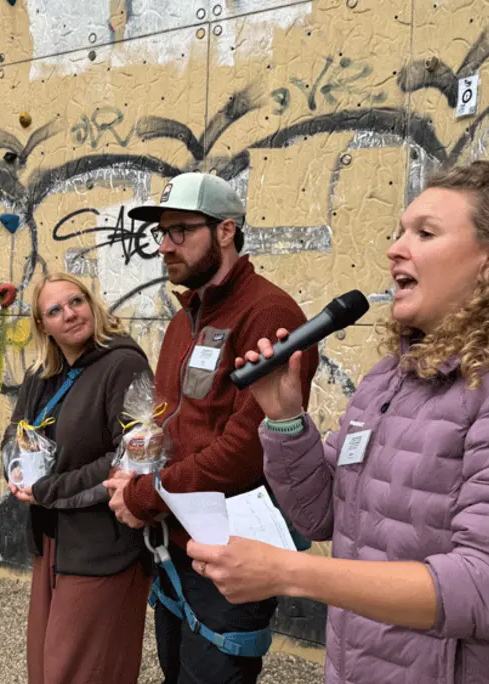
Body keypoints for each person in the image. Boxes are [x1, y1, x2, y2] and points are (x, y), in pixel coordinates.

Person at [187, 160, 489, 684]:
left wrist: (288, 573)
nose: (395, 248)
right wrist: (284, 420)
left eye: (425, 233)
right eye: (397, 232)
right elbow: (324, 516)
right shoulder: (390, 379)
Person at [102, 172, 320, 683]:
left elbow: (247, 451)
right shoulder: (184, 319)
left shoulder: (269, 313)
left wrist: (147, 494)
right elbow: (164, 420)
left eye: (181, 231)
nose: (165, 246)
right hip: (175, 540)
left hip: (231, 549)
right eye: (162, 233)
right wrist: (133, 467)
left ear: (226, 231)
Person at [0, 272, 155, 684]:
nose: (69, 314)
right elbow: (17, 432)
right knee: (47, 667)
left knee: (82, 670)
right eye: (55, 310)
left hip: (103, 546)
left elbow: (130, 458)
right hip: (52, 539)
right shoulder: (42, 374)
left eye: (76, 302)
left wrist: (47, 489)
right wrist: (16, 467)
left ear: (92, 304)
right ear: (42, 325)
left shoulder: (123, 364)